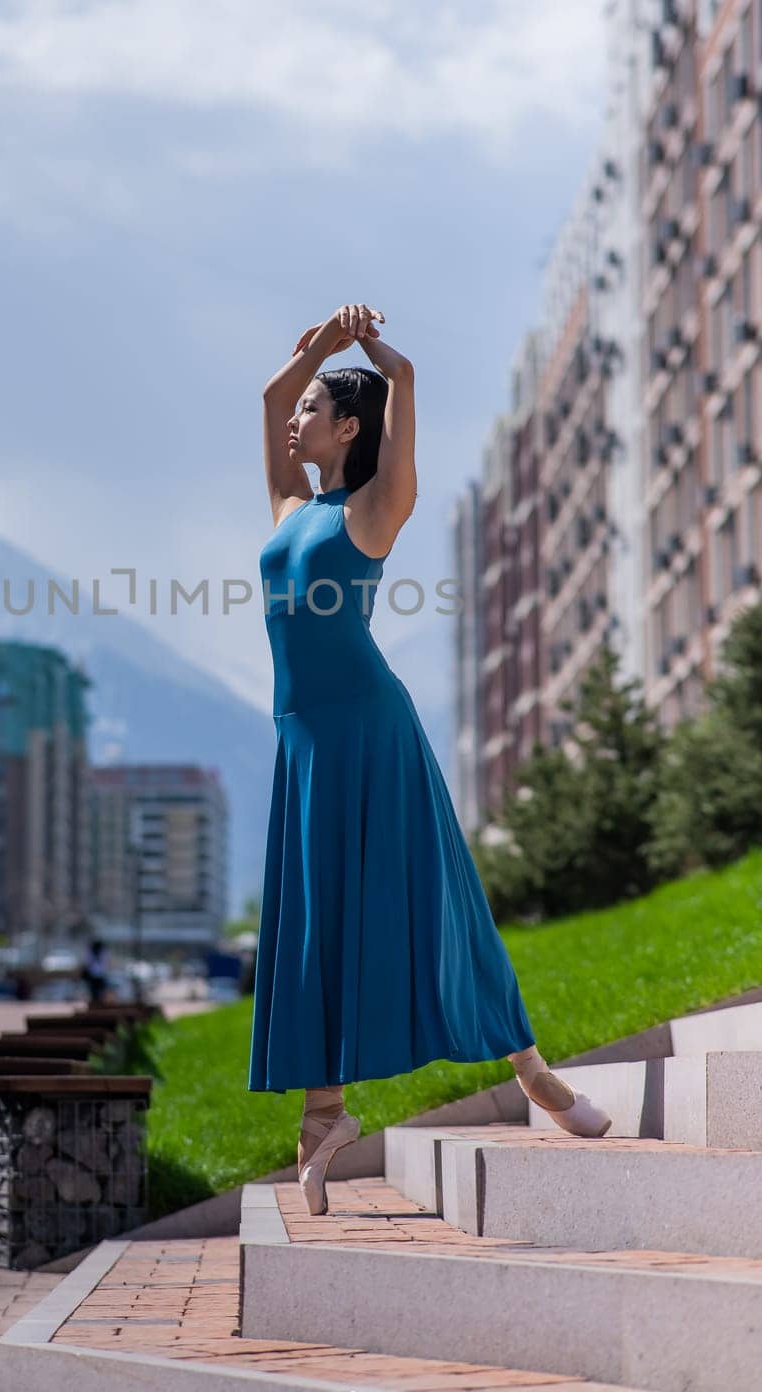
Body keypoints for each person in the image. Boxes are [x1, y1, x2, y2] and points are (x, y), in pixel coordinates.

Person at [249, 303, 611, 1218]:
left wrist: (374, 354)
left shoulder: (376, 507)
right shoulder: (290, 508)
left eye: (312, 410)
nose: (295, 420)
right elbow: (266, 400)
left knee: (438, 899)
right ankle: (322, 1113)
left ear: (348, 427)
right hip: (302, 740)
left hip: (370, 732)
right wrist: (316, 352)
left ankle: (532, 1071)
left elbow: (402, 387)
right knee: (312, 922)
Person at [82, 938, 109, 1006]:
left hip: (99, 976)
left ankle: (99, 1004)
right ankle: (96, 1004)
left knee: (100, 993)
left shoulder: (102, 952)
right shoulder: (91, 952)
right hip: (94, 977)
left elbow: (87, 963)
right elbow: (88, 963)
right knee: (94, 993)